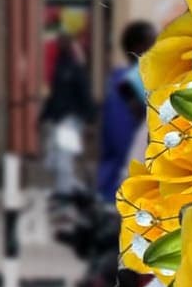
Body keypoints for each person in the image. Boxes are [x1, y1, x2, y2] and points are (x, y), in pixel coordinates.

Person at [96, 21, 156, 202]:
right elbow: (122, 138)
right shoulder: (132, 82)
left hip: (116, 178)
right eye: (152, 42)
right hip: (126, 180)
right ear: (138, 48)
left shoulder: (118, 79)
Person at [40, 33, 93, 196]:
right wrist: (44, 116)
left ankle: (64, 193)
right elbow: (54, 95)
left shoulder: (75, 69)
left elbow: (84, 94)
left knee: (64, 159)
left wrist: (89, 117)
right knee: (52, 161)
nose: (61, 46)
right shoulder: (59, 67)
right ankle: (73, 189)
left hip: (70, 120)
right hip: (58, 119)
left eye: (64, 43)